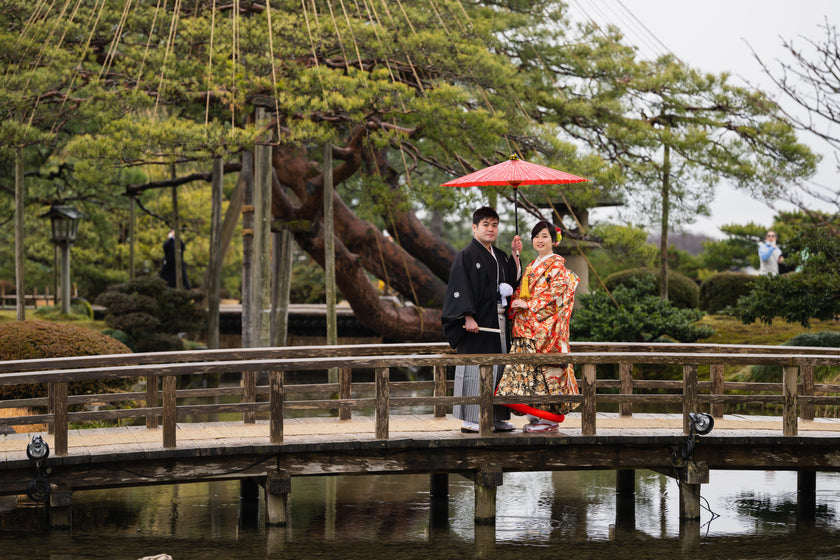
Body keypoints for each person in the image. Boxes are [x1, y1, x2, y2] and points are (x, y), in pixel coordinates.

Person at [442, 206, 522, 433]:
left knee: (499, 369)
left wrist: (515, 256)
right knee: (475, 369)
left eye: (494, 225)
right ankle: (472, 418)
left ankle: (496, 416)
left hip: (498, 322)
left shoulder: (500, 255)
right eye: (486, 225)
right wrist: (466, 316)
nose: (490, 229)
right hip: (476, 324)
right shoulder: (466, 256)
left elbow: (513, 282)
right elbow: (458, 288)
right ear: (474, 227)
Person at [496, 220, 580, 433]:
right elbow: (522, 290)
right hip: (526, 329)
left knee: (543, 372)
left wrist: (529, 304)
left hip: (543, 330)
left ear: (554, 240)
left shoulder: (557, 266)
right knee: (529, 373)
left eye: (544, 236)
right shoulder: (533, 264)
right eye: (536, 236)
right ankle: (536, 416)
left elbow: (558, 294)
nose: (540, 240)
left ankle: (549, 419)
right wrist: (515, 301)